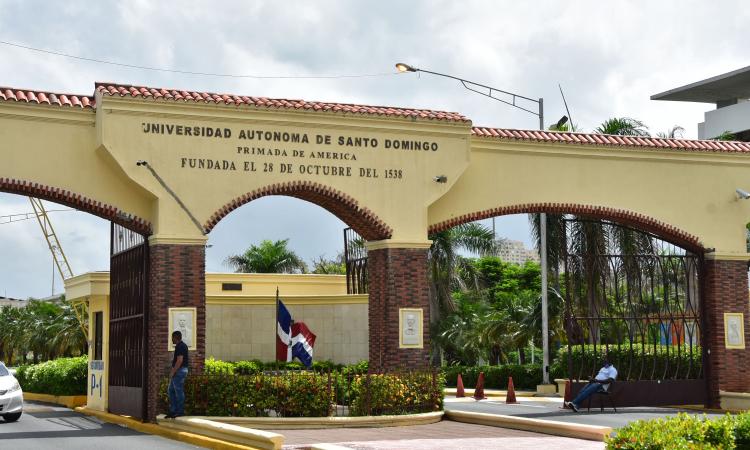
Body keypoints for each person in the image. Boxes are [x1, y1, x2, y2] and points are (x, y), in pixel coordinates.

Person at [166, 330, 189, 419]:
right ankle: (173, 411)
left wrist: (173, 372)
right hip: (180, 370)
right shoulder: (181, 346)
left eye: (172, 338)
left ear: (175, 337)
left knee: (178, 391)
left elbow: (179, 360)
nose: (171, 339)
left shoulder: (180, 346)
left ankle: (180, 411)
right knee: (171, 390)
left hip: (179, 371)